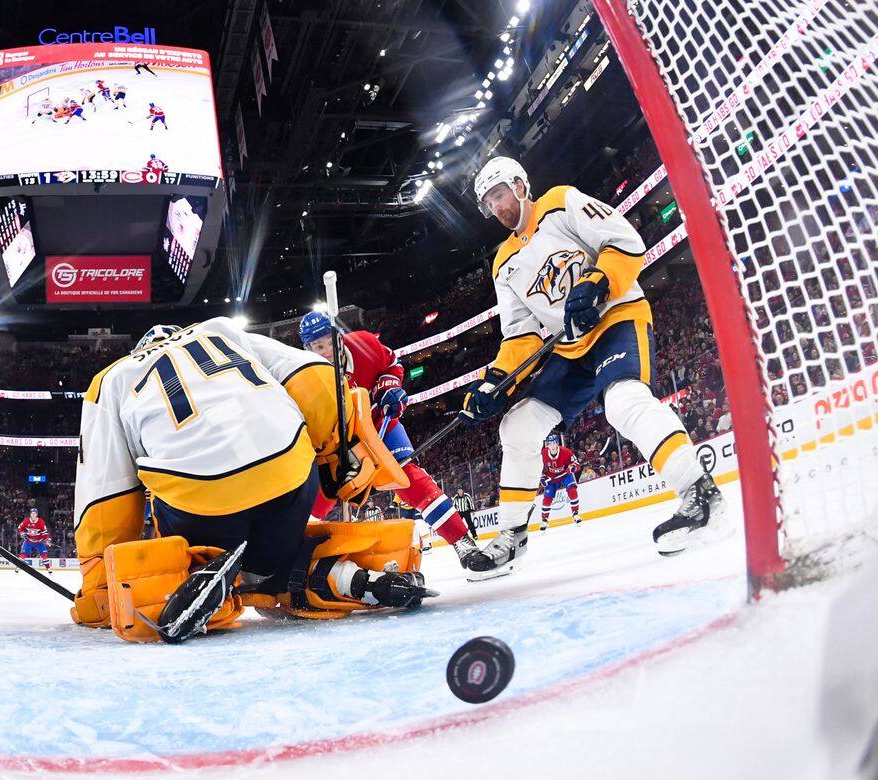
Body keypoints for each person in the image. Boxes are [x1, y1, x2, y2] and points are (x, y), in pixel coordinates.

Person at [72, 320, 430, 643]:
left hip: (202, 497)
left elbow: (106, 490)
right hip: (289, 472)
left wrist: (101, 583)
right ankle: (341, 577)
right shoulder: (221, 330)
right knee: (272, 559)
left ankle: (191, 577)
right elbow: (313, 373)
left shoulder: (110, 379)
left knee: (164, 500)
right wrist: (336, 453)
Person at [460, 157, 726, 577]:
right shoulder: (503, 262)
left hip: (616, 318)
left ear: (519, 185)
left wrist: (596, 282)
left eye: (498, 195)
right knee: (517, 425)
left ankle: (700, 493)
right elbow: (520, 334)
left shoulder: (560, 203)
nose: (496, 207)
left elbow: (624, 240)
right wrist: (495, 383)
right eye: (488, 202)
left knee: (623, 402)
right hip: (569, 348)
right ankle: (512, 537)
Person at [298, 311, 497, 577]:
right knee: (317, 498)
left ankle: (463, 543)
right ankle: (298, 559)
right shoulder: (305, 376)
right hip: (338, 440)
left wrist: (388, 387)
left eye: (325, 343)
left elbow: (393, 364)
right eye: (315, 346)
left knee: (410, 479)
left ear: (337, 337)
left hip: (379, 423)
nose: (322, 351)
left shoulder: (364, 345)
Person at [538, 432, 581, 530]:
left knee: (572, 489)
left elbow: (576, 464)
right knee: (547, 498)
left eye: (554, 443)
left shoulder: (566, 452)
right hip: (551, 478)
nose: (552, 446)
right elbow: (538, 468)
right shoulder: (543, 454)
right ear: (547, 445)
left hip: (565, 475)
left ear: (557, 443)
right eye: (550, 444)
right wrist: (542, 478)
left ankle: (575, 513)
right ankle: (544, 520)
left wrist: (573, 467)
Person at [18, 507, 52, 572]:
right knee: (23, 554)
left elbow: (44, 532)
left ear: (37, 514)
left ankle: (48, 568)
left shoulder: (41, 521)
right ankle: (18, 567)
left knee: (44, 555)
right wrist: (22, 534)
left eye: (35, 513)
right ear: (30, 514)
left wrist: (48, 540)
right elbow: (20, 528)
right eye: (32, 513)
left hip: (39, 542)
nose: (33, 515)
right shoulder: (26, 521)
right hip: (29, 541)